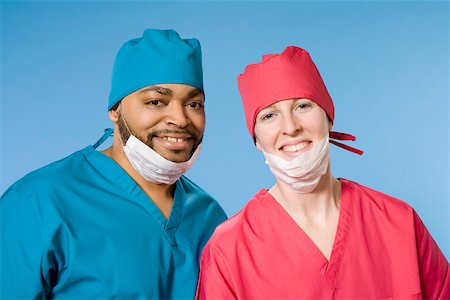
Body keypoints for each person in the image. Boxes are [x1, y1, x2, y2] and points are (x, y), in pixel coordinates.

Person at [196, 46, 449, 299]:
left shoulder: (399, 222)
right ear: (257, 139)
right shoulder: (229, 249)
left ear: (328, 118)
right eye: (269, 115)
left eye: (303, 106)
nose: (290, 127)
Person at [1, 28, 227, 299]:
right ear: (115, 109)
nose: (179, 119)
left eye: (194, 103)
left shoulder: (210, 217)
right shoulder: (38, 202)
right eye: (156, 101)